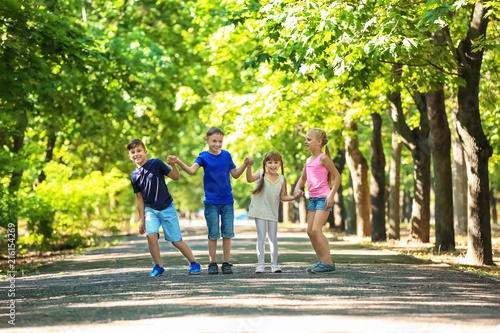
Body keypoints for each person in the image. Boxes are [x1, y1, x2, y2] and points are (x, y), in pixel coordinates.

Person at [167, 127, 249, 275]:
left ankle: (226, 263)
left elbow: (235, 174)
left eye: (220, 141)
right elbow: (192, 171)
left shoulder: (226, 156)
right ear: (207, 140)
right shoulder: (203, 156)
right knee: (213, 234)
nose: (217, 144)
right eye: (214, 141)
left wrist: (245, 165)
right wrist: (177, 161)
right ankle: (212, 263)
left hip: (227, 201)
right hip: (211, 201)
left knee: (227, 233)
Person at [127, 139, 201, 276]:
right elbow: (139, 198)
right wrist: (141, 219)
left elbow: (175, 177)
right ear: (129, 156)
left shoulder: (156, 163)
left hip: (167, 207)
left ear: (145, 152)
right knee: (151, 236)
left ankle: (193, 263)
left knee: (176, 240)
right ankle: (158, 266)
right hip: (150, 210)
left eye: (139, 151)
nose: (136, 154)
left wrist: (174, 165)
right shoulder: (134, 175)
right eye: (133, 152)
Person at [293, 128, 341, 274]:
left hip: (323, 198)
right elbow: (303, 178)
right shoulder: (308, 161)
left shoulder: (323, 158)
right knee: (310, 231)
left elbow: (337, 176)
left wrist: (331, 195)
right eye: (305, 139)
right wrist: (296, 188)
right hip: (313, 199)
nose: (305, 142)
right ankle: (322, 262)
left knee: (316, 229)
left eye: (309, 139)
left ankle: (328, 262)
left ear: (319, 142)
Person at [246, 151, 301, 273]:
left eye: (276, 162)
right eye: (270, 162)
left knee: (273, 238)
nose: (273, 165)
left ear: (280, 163)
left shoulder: (281, 179)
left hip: (272, 211)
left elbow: (283, 197)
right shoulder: (261, 174)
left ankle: (274, 264)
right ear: (265, 163)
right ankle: (260, 265)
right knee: (261, 236)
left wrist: (294, 197)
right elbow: (249, 179)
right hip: (259, 210)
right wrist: (248, 166)